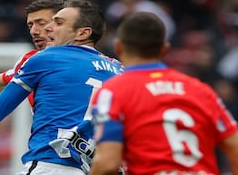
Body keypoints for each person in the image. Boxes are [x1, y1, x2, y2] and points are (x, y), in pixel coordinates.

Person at [0, 0, 123, 175]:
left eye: (52, 22)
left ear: (82, 32)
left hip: (52, 163)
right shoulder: (118, 69)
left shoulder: (44, 59)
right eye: (30, 25)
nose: (39, 30)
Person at [89, 12, 238, 175]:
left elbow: (107, 164)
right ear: (165, 49)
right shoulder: (202, 91)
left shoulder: (113, 92)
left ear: (118, 47)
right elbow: (235, 146)